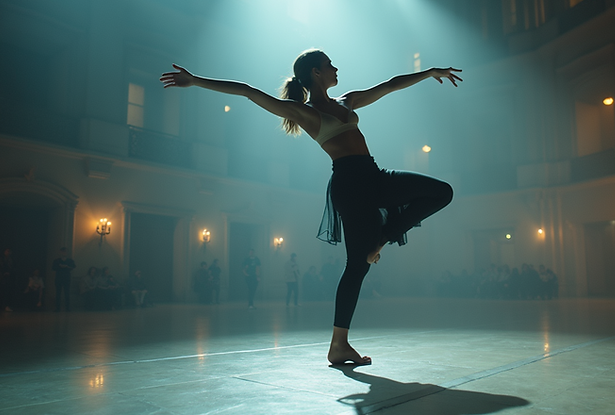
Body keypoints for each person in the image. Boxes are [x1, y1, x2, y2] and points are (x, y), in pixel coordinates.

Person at [162, 52, 459, 364]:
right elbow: (248, 91)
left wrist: (428, 73)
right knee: (356, 268)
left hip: (374, 175)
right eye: (331, 64)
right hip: (349, 184)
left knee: (441, 192)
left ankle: (381, 238)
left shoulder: (347, 101)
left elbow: (389, 86)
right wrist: (195, 81)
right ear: (317, 72)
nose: (337, 68)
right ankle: (339, 344)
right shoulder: (302, 112)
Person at [51, 247, 76, 312]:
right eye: (63, 251)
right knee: (58, 293)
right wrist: (60, 267)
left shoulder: (70, 261)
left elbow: (73, 267)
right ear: (60, 252)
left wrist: (67, 267)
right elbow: (53, 268)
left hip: (66, 278)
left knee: (67, 293)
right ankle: (57, 308)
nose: (64, 253)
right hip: (59, 278)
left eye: (65, 251)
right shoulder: (56, 261)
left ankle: (67, 308)